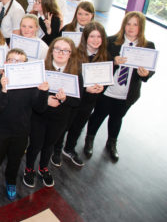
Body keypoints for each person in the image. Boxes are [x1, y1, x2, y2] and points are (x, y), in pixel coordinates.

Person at [85, 11, 155, 162]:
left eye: (135, 24)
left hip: (127, 93)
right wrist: (113, 62)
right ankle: (89, 140)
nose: (130, 27)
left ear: (141, 27)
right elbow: (99, 62)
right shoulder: (110, 42)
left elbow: (151, 69)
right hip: (107, 90)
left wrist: (146, 74)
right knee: (98, 116)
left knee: (117, 118)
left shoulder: (148, 46)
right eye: (128, 23)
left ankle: (112, 143)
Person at [0, 49, 48, 202]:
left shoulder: (31, 83)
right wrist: (4, 89)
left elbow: (40, 108)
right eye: (12, 60)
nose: (15, 64)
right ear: (6, 63)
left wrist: (43, 92)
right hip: (1, 129)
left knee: (15, 159)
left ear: (25, 65)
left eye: (19, 61)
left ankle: (11, 182)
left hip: (21, 130)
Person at [23, 37, 81, 188]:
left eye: (65, 50)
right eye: (57, 49)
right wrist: (45, 99)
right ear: (51, 51)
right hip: (39, 115)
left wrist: (65, 99)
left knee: (49, 145)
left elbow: (77, 102)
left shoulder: (76, 73)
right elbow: (31, 95)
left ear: (70, 53)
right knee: (35, 144)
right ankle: (29, 169)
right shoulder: (40, 68)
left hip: (60, 118)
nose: (61, 53)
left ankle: (43, 168)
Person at [53, 21, 110, 167]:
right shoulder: (74, 55)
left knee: (78, 127)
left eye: (99, 37)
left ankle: (69, 148)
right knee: (64, 126)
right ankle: (57, 150)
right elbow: (68, 80)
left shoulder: (105, 56)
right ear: (85, 38)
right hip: (72, 100)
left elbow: (107, 78)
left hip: (89, 102)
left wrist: (102, 86)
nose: (96, 40)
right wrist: (85, 88)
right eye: (92, 36)